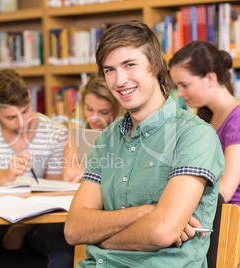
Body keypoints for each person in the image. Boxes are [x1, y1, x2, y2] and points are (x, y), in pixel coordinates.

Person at [64, 20, 225, 267]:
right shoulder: (106, 139)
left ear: (156, 65)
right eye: (109, 70)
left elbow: (162, 231)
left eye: (130, 65)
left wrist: (99, 240)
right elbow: (74, 230)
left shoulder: (195, 136)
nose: (119, 81)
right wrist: (147, 211)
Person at [0, 69, 73, 268]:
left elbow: (55, 193)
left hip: (40, 219)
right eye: (11, 117)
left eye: (25, 110)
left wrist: (20, 229)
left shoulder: (56, 132)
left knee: (64, 251)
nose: (22, 121)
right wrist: (6, 175)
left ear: (29, 97)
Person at [169, 40, 240, 204]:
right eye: (177, 86)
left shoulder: (237, 119)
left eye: (184, 85)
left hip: (229, 221)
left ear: (210, 78)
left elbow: (225, 190)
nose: (179, 93)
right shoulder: (205, 116)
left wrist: (176, 201)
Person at [62, 72, 123, 182]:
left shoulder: (124, 124)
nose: (94, 119)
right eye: (89, 109)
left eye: (103, 112)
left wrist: (88, 173)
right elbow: (68, 174)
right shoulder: (78, 121)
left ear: (116, 110)